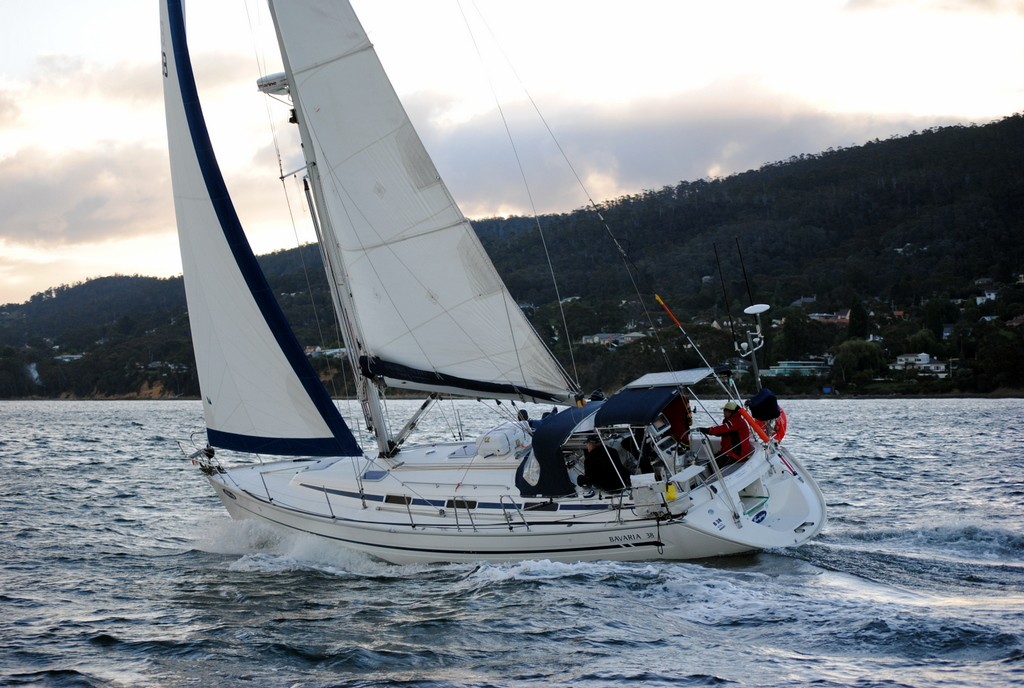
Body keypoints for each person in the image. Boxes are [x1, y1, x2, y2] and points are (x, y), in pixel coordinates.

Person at [696, 401, 752, 470]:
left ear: (729, 412)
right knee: (711, 461)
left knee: (714, 463)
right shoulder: (734, 421)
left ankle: (716, 479)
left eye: (724, 411)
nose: (723, 413)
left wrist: (706, 430)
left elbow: (721, 429)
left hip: (738, 454)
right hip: (730, 452)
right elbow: (721, 432)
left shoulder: (736, 422)